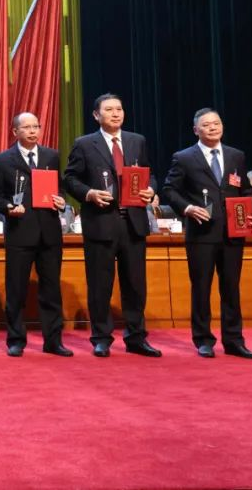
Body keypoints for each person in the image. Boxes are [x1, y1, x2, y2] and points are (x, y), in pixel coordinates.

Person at [63, 93, 161, 358]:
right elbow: (70, 179)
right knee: (100, 284)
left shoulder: (136, 141)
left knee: (135, 284)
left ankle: (136, 337)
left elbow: (149, 174)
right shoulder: (84, 144)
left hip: (133, 222)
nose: (116, 113)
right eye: (109, 110)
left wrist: (151, 190)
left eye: (119, 109)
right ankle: (101, 338)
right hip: (100, 222)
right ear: (96, 115)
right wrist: (88, 194)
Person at [161, 109, 252, 359]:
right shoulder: (184, 157)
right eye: (206, 125)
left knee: (231, 288)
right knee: (201, 287)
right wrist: (187, 208)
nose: (213, 127)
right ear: (196, 130)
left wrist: (251, 212)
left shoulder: (236, 156)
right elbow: (170, 190)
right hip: (201, 234)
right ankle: (203, 339)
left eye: (216, 123)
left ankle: (234, 340)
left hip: (233, 233)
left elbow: (246, 191)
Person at [0, 113, 72, 357]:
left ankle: (53, 341)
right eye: (27, 127)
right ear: (15, 132)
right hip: (19, 232)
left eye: (36, 126)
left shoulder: (51, 156)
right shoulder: (2, 160)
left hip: (49, 233)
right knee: (16, 290)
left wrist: (60, 200)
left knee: (51, 289)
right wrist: (8, 208)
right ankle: (16, 340)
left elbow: (59, 189)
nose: (33, 131)